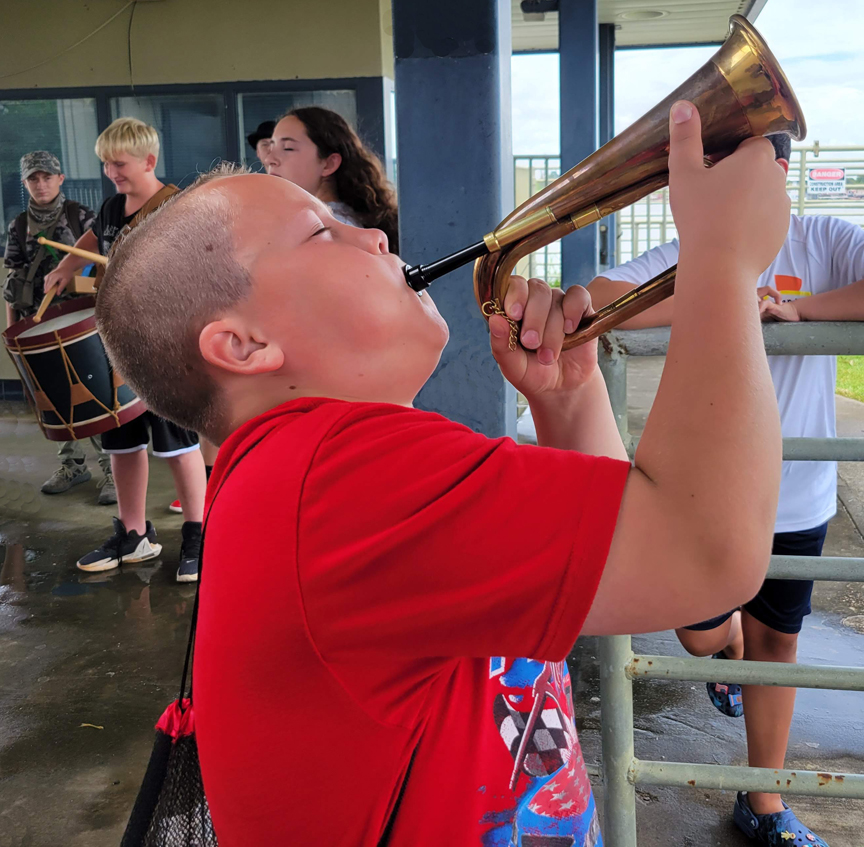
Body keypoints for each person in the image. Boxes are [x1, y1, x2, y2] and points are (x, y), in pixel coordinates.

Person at [95, 102, 789, 844]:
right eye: (320, 232)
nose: (373, 234)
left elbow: (638, 572)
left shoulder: (299, 474)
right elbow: (706, 552)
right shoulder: (337, 476)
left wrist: (569, 398)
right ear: (243, 344)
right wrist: (720, 259)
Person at [586, 133, 862, 847]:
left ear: (780, 170)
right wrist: (726, 287)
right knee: (699, 629)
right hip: (701, 497)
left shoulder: (825, 238)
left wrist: (804, 308)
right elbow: (597, 300)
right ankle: (725, 645)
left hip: (797, 496)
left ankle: (764, 801)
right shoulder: (696, 251)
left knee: (779, 643)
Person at [44, 118, 207, 584]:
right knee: (121, 440)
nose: (111, 172)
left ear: (149, 161)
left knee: (179, 444)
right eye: (105, 164)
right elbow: (93, 239)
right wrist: (66, 267)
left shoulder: (176, 207)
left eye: (119, 163)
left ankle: (197, 533)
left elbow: (195, 272)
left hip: (167, 345)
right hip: (117, 342)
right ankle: (134, 534)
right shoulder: (114, 206)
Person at [3, 151, 115, 503]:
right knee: (53, 395)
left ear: (60, 179)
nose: (41, 184)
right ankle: (72, 465)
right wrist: (13, 336)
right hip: (37, 325)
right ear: (24, 183)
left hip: (81, 324)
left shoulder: (82, 216)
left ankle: (112, 470)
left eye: (47, 177)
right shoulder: (19, 225)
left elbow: (106, 268)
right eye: (33, 179)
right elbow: (12, 282)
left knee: (95, 393)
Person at [265, 105, 399, 250]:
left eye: (288, 148)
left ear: (329, 163)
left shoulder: (329, 229)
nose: (269, 159)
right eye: (271, 147)